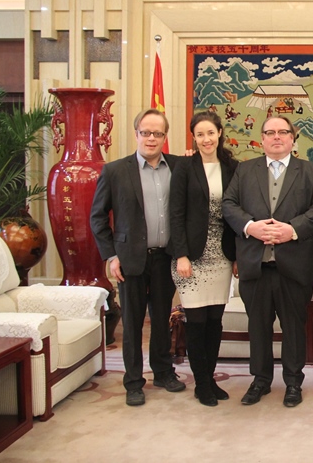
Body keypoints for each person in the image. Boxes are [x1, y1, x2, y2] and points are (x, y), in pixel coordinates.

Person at [222, 116, 313, 408]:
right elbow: (229, 205)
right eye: (270, 132)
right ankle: (260, 380)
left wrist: (291, 230)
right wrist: (250, 227)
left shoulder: (310, 172)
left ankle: (293, 382)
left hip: (294, 266)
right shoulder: (245, 170)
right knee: (258, 327)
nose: (277, 137)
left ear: (293, 138)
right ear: (262, 139)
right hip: (255, 265)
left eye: (283, 132)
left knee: (294, 327)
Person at [90, 108, 186, 406]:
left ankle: (163, 372)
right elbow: (97, 218)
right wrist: (110, 256)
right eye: (146, 132)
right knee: (132, 323)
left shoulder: (179, 167)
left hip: (165, 257)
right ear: (136, 134)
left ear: (165, 137)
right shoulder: (115, 171)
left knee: (161, 318)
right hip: (129, 258)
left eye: (157, 133)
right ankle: (133, 382)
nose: (151, 138)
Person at [168, 111, 239, 407]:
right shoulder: (184, 167)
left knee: (214, 322)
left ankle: (209, 379)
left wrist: (237, 256)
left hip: (222, 255)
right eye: (200, 134)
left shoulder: (233, 167)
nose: (206, 139)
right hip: (191, 258)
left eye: (210, 133)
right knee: (196, 322)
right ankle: (201, 384)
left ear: (220, 133)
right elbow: (176, 213)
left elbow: (238, 212)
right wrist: (181, 255)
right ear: (194, 138)